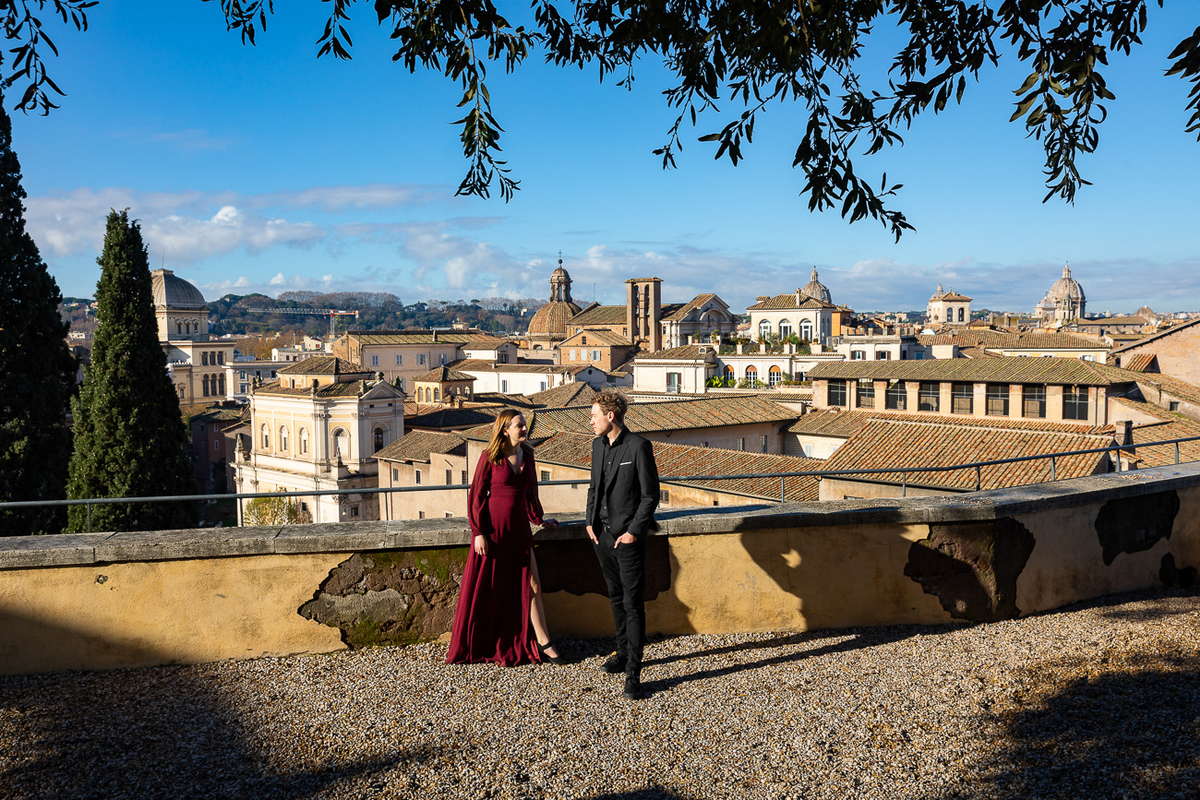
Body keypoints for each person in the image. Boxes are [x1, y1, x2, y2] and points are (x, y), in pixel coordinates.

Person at [446, 409, 561, 666]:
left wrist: (539, 519)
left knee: (533, 585)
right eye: (519, 425)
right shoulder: (491, 457)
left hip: (519, 529)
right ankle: (486, 641)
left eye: (524, 425)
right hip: (494, 531)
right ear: (505, 429)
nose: (524, 429)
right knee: (491, 588)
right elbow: (476, 496)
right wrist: (479, 532)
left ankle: (544, 642)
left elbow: (531, 492)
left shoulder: (528, 454)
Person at [585, 389, 660, 699]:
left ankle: (634, 674)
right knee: (615, 597)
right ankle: (622, 654)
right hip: (601, 536)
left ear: (610, 416)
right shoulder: (597, 446)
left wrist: (632, 532)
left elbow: (649, 495)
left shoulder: (638, 446)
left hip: (627, 540)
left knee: (632, 604)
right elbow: (594, 487)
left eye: (594, 415)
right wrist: (589, 522)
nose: (590, 421)